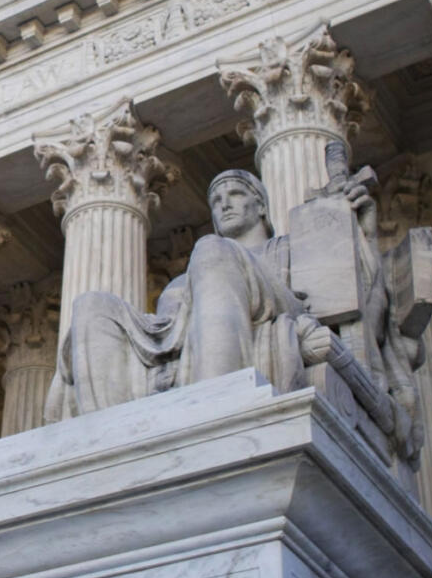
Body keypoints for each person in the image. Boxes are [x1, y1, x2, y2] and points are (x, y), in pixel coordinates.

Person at [46, 169, 347, 421]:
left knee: (213, 249)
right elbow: (167, 326)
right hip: (180, 333)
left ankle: (215, 408)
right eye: (216, 200)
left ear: (262, 206)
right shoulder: (188, 275)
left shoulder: (286, 249)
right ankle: (110, 434)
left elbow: (329, 310)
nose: (224, 205)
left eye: (236, 195)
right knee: (92, 305)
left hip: (276, 309)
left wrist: (357, 228)